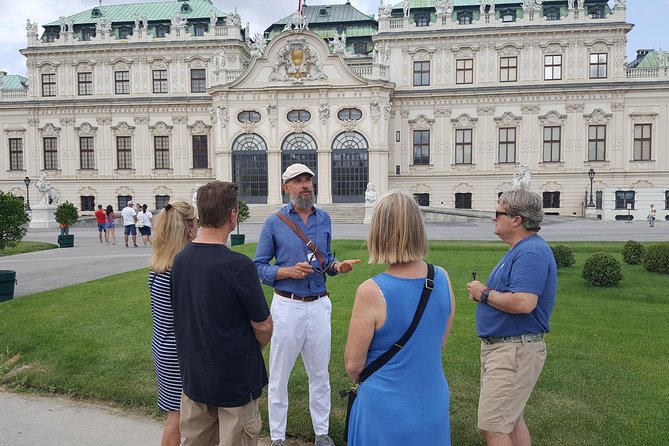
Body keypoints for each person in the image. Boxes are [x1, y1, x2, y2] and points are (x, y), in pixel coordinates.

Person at [254, 163, 360, 446]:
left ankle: (321, 434)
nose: (305, 185)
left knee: (320, 374)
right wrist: (287, 272)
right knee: (279, 375)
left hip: (319, 305)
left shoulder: (323, 218)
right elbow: (258, 267)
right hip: (287, 306)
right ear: (285, 187)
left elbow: (323, 262)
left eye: (308, 180)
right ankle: (277, 437)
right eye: (298, 181)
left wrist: (339, 266)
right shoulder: (274, 222)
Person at [344, 190, 455, 445]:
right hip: (432, 400)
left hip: (384, 408)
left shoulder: (372, 291)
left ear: (379, 232)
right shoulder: (442, 277)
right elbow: (438, 342)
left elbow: (353, 365)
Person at [172, 181, 273, 446]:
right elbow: (263, 326)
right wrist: (252, 347)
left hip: (195, 375)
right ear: (232, 215)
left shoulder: (181, 260)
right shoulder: (238, 265)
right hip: (235, 381)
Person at [466, 188, 558, 446]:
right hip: (508, 348)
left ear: (516, 219)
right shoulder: (521, 249)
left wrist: (484, 293)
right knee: (511, 419)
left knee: (493, 426)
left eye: (498, 213)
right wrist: (485, 294)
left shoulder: (530, 252)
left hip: (514, 350)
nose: (493, 218)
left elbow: (523, 302)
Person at [148, 200, 198, 446]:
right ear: (189, 229)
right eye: (196, 222)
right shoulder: (181, 268)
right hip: (177, 351)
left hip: (163, 344)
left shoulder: (159, 264)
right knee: (178, 418)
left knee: (176, 417)